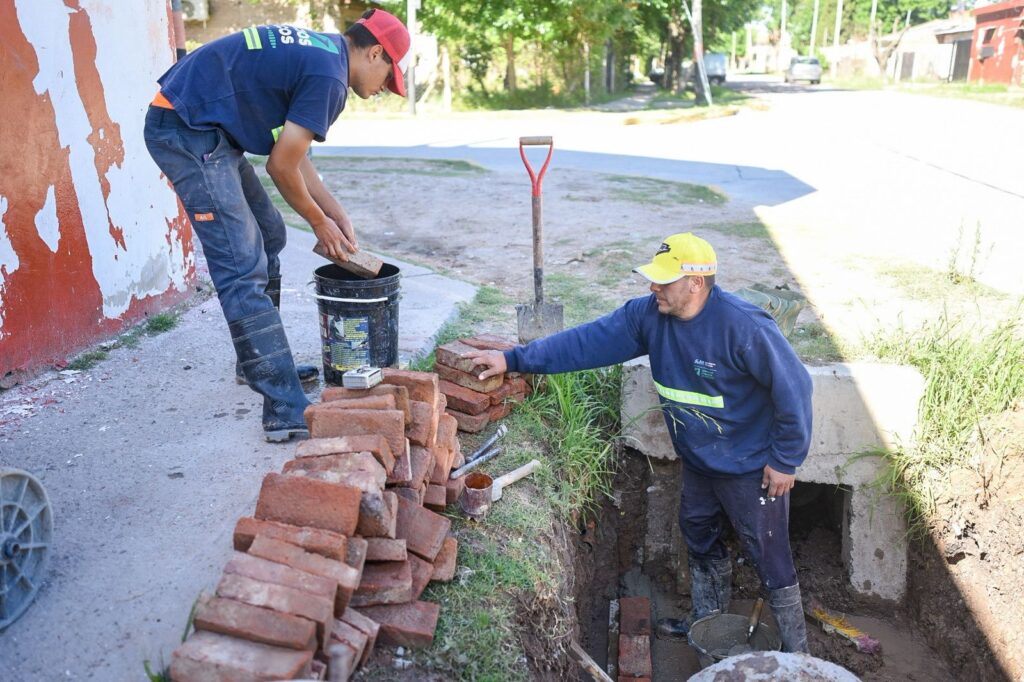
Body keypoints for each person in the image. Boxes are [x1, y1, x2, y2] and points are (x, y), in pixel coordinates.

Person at [464, 233, 813, 653]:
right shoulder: (649, 316)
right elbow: (587, 342)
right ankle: (708, 625)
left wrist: (786, 460)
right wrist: (513, 358)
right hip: (700, 461)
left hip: (752, 467)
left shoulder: (744, 327)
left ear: (696, 283)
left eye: (664, 281)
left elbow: (795, 388)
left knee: (769, 556)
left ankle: (798, 654)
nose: (653, 288)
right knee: (698, 534)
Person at [144, 10, 410, 442]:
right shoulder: (330, 79)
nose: (383, 89)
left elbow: (294, 151)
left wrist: (334, 211)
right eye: (387, 77)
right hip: (184, 130)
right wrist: (320, 224)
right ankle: (284, 406)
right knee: (241, 265)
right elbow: (281, 167)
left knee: (270, 235)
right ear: (375, 51)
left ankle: (258, 364)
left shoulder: (325, 55)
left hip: (209, 130)